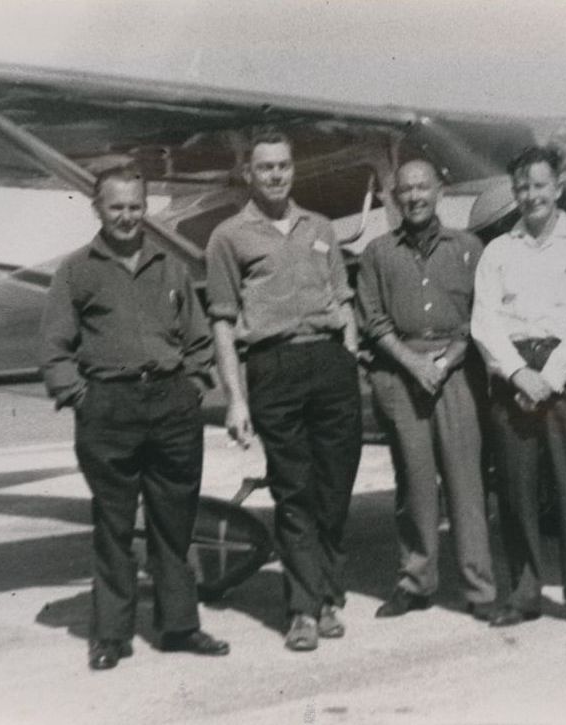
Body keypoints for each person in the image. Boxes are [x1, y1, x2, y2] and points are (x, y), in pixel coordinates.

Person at [40, 165, 230, 670]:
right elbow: (55, 348)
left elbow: (198, 338)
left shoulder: (170, 267)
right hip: (109, 408)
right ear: (98, 209)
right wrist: (82, 398)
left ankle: (179, 626)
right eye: (116, 207)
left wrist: (191, 388)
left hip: (171, 405)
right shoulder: (76, 271)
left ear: (146, 207)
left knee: (175, 522)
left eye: (135, 206)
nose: (127, 216)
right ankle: (110, 634)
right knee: (114, 523)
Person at [205, 131, 362, 652]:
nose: (275, 175)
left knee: (336, 489)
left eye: (283, 166)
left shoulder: (318, 227)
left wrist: (348, 353)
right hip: (273, 366)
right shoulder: (228, 237)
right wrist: (237, 398)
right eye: (265, 167)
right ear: (248, 174)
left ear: (294, 169)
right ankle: (304, 610)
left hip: (329, 363)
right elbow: (224, 323)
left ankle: (329, 595)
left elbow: (343, 298)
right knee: (294, 491)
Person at [471, 145, 566, 630]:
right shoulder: (497, 252)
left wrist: (547, 378)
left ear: (558, 189)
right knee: (516, 491)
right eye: (522, 188)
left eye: (538, 186)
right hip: (513, 375)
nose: (530, 196)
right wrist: (516, 373)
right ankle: (525, 593)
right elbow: (484, 323)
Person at [356, 159, 496, 620]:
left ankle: (479, 588)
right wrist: (415, 363)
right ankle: (416, 583)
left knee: (466, 485)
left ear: (440, 191)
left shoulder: (469, 248)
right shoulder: (377, 252)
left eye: (423, 188)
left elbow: (482, 315)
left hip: (458, 372)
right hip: (402, 374)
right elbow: (373, 320)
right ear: (394, 197)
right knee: (413, 485)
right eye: (406, 190)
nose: (415, 197)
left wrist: (449, 359)